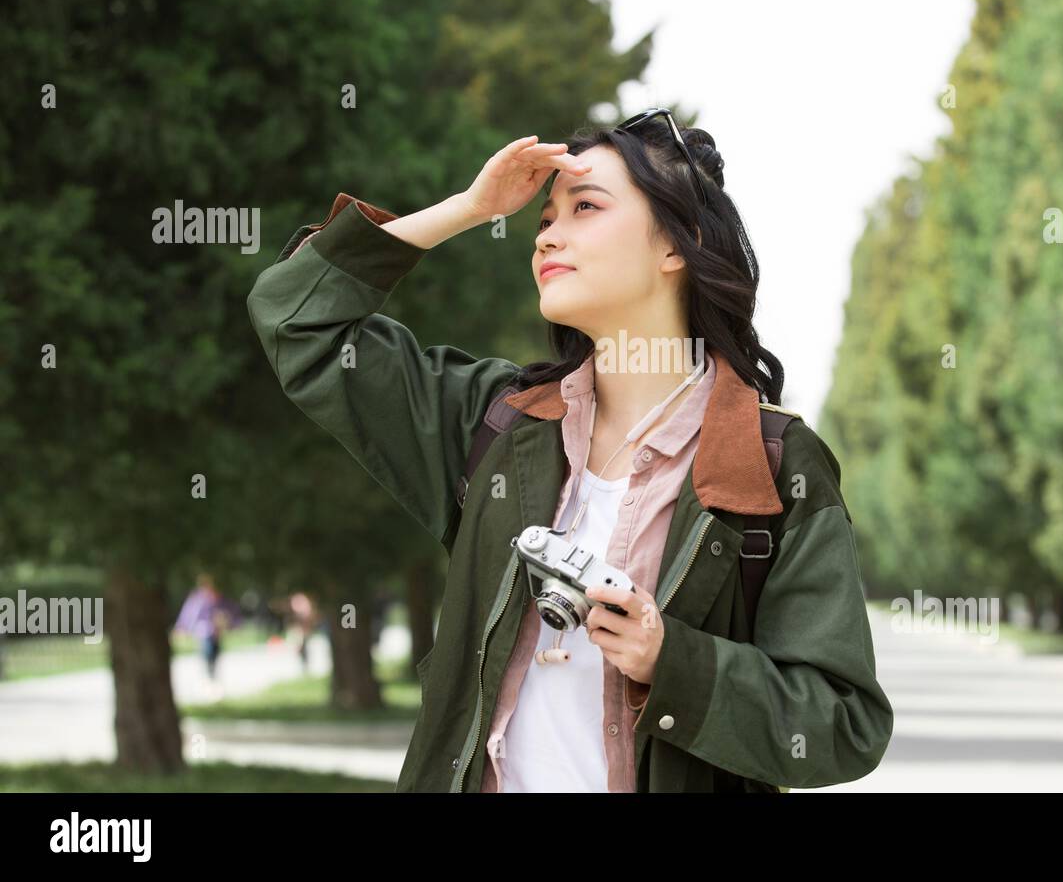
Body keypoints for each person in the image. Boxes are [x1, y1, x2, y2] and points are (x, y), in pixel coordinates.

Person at [246, 109, 894, 792]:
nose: (549, 234)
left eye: (585, 207)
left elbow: (840, 727)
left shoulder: (772, 464)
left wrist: (670, 661)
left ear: (678, 244)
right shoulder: (495, 426)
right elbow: (296, 319)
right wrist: (469, 209)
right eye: (545, 220)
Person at [173, 574, 241, 697]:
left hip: (217, 634)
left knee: (215, 656)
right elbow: (189, 616)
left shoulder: (220, 599)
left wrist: (230, 625)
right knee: (207, 655)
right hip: (204, 633)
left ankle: (213, 681)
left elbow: (232, 614)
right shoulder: (197, 600)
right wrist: (182, 628)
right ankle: (209, 682)